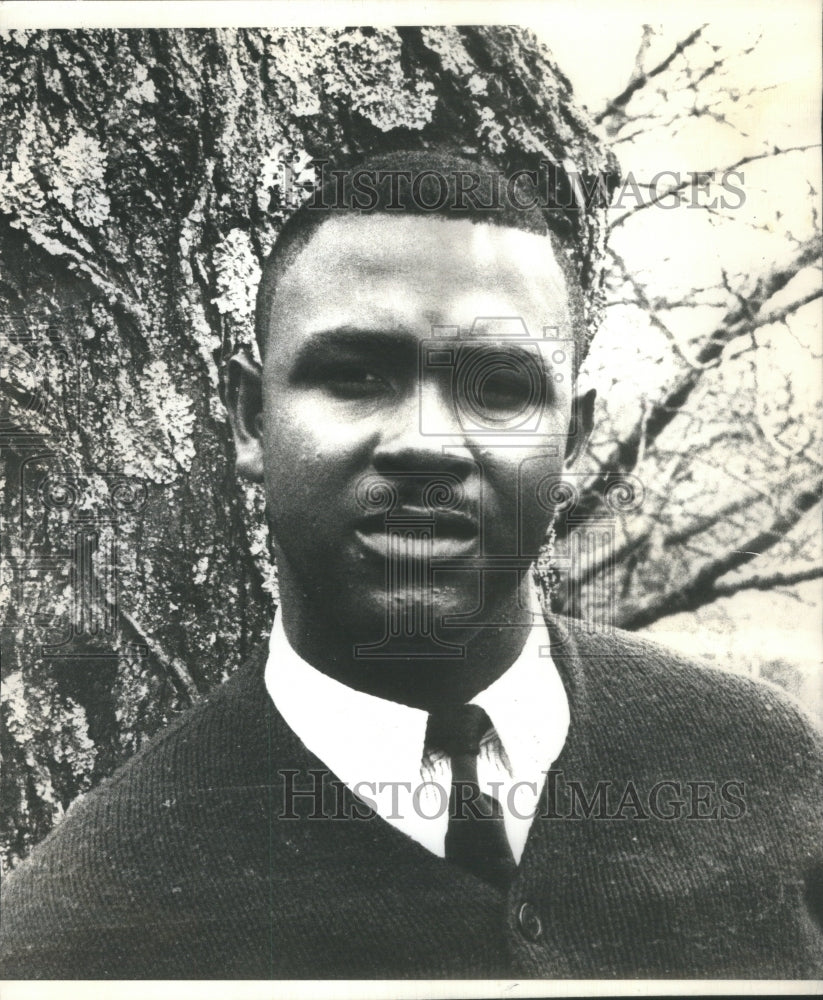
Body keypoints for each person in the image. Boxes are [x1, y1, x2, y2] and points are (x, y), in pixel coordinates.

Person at [1, 148, 822, 981]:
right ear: (251, 420)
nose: (427, 443)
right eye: (355, 376)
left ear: (571, 438)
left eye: (499, 389)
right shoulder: (80, 929)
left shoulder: (763, 766)